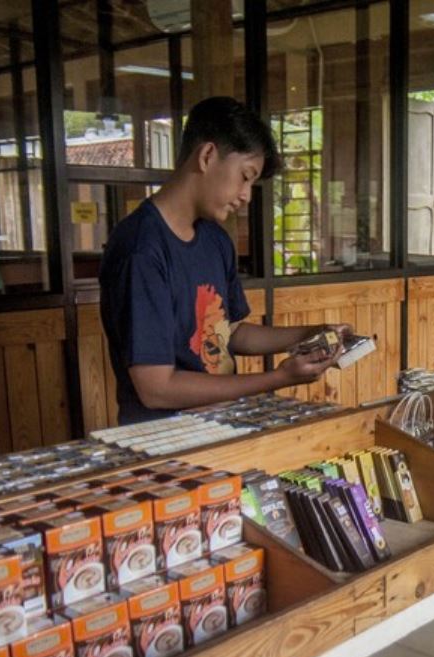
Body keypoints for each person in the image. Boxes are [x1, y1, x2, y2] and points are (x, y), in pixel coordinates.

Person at [99, 96, 349, 425]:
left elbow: (230, 333)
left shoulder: (215, 240)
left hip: (224, 426)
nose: (247, 194)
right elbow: (156, 389)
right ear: (207, 156)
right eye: (245, 176)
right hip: (164, 443)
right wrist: (279, 378)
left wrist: (311, 334)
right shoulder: (141, 249)